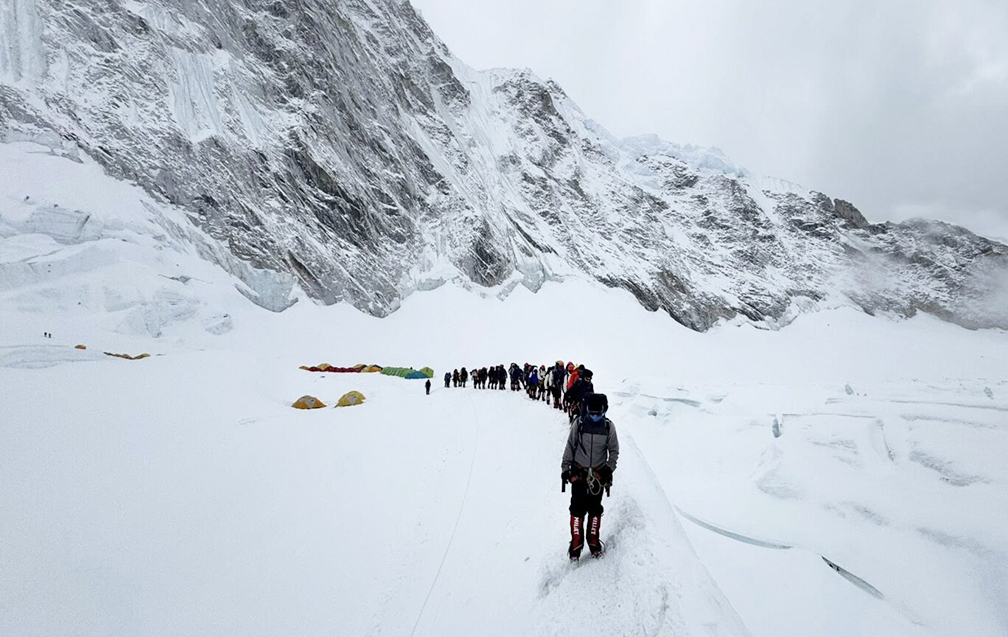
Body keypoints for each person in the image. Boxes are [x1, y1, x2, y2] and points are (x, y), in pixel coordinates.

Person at [561, 393, 618, 560]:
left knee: (595, 509)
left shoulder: (608, 427)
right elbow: (570, 446)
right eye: (591, 413)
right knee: (576, 509)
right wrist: (565, 469)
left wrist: (609, 469)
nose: (594, 416)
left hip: (598, 477)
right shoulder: (578, 424)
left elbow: (614, 451)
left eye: (597, 414)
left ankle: (593, 541)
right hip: (579, 474)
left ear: (604, 411)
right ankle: (576, 544)